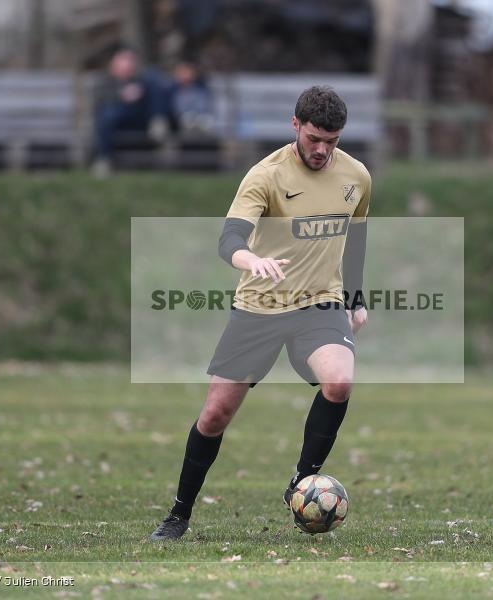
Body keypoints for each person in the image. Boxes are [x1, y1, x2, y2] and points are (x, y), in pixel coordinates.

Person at [149, 86, 371, 541]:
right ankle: (178, 514)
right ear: (296, 126)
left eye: (332, 140)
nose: (322, 150)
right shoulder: (264, 175)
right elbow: (230, 237)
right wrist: (250, 260)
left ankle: (301, 481)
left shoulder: (357, 176)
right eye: (314, 139)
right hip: (260, 306)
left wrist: (355, 297)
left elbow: (357, 238)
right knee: (214, 416)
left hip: (318, 303)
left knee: (340, 381)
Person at [91, 47, 170, 177]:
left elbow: (156, 96)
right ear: (114, 66)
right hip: (116, 121)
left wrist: (138, 94)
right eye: (123, 63)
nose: (127, 67)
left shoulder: (142, 80)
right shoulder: (106, 82)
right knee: (107, 114)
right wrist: (122, 95)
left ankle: (158, 120)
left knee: (153, 79)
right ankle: (103, 160)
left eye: (129, 63)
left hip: (141, 119)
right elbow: (100, 100)